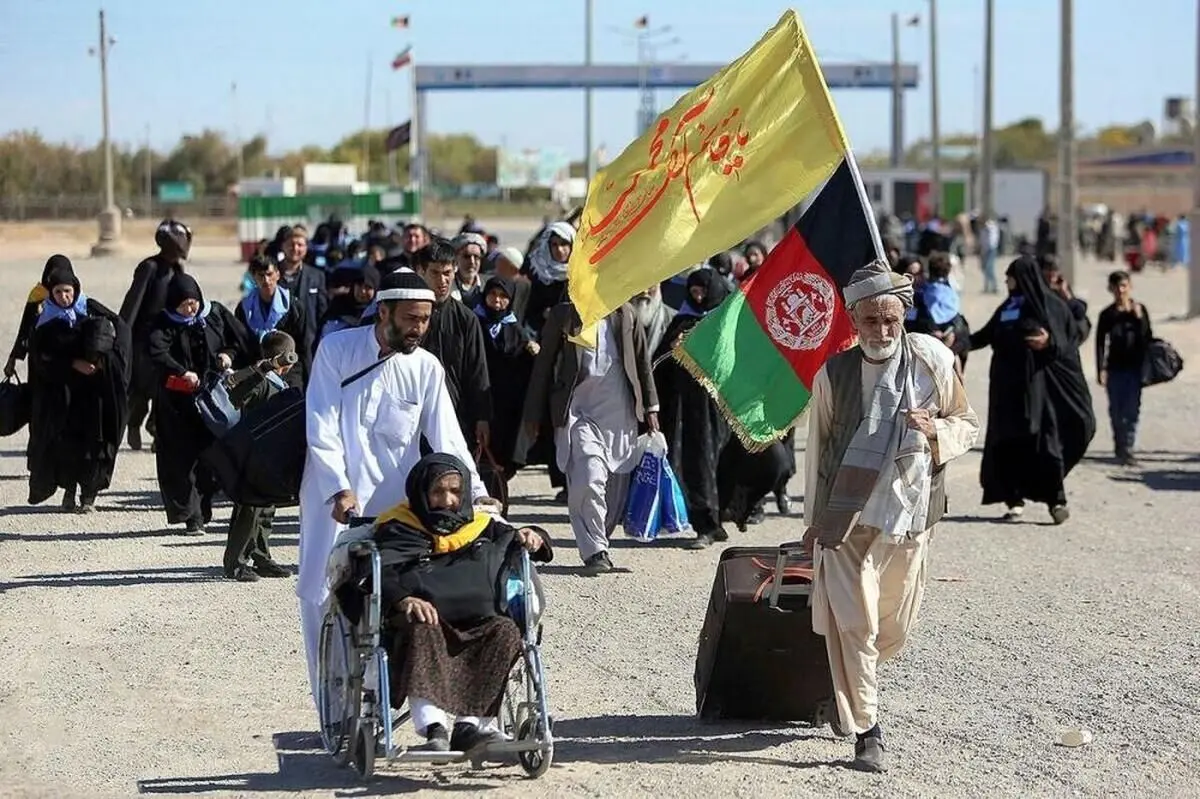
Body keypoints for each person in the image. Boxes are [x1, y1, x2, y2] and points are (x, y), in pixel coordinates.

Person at [802, 259, 979, 774]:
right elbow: (818, 453)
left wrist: (933, 433)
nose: (881, 330)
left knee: (892, 626)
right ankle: (867, 729)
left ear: (903, 315)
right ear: (853, 322)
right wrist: (816, 519)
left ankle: (850, 687)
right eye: (870, 321)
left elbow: (966, 423)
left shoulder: (932, 360)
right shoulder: (834, 375)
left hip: (910, 513)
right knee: (855, 624)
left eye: (890, 319)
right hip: (848, 519)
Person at [297, 268, 487, 704]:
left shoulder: (425, 368)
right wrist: (337, 488)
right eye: (411, 318)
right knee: (322, 594)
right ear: (383, 312)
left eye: (425, 320)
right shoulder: (337, 350)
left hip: (395, 506)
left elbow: (448, 438)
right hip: (336, 500)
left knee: (390, 595)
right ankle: (332, 701)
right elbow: (321, 423)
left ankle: (374, 693)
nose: (419, 328)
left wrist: (475, 492)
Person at [370, 453, 552, 752]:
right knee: (422, 625)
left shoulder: (481, 524)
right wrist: (403, 598)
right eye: (438, 492)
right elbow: (378, 570)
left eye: (455, 491)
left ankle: (471, 726)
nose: (447, 500)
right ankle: (435, 729)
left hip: (480, 617)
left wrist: (536, 536)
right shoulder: (398, 526)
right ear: (421, 493)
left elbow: (522, 541)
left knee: (506, 631)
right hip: (426, 618)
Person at [523, 301, 659, 575]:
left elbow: (642, 361)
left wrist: (651, 408)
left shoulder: (626, 314)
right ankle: (594, 549)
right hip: (578, 410)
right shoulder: (564, 314)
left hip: (618, 410)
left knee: (611, 483)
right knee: (588, 474)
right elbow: (544, 364)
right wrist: (533, 413)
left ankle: (600, 537)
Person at [970, 256, 1095, 523]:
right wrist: (954, 342)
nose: (1006, 281)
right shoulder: (1008, 307)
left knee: (1045, 444)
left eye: (1010, 277)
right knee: (1009, 442)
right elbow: (985, 336)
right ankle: (1014, 498)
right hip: (1006, 390)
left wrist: (1049, 344)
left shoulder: (1051, 307)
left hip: (1037, 389)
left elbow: (1068, 342)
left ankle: (1056, 501)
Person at [25, 255, 132, 511]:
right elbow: (42, 359)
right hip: (64, 395)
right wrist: (72, 364)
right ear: (51, 292)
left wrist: (104, 362)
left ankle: (89, 496)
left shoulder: (90, 308)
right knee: (67, 444)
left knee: (97, 440)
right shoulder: (45, 320)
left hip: (95, 393)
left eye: (68, 291)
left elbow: (119, 332)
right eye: (59, 292)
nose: (64, 297)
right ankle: (69, 491)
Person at [148, 273, 250, 534]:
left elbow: (238, 341)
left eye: (193, 303)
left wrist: (228, 355)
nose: (190, 309)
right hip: (177, 405)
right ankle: (191, 516)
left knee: (210, 459)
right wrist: (181, 371)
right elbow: (156, 352)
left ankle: (204, 508)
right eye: (184, 305)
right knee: (182, 461)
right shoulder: (164, 322)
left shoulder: (213, 314)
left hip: (211, 402)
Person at [653, 269, 734, 548]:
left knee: (721, 466)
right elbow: (658, 364)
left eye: (702, 290)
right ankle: (705, 526)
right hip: (687, 412)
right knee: (696, 465)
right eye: (693, 290)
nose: (697, 295)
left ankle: (718, 520)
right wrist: (675, 350)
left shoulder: (726, 322)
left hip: (722, 410)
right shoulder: (682, 321)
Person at [221, 331, 298, 582]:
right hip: (252, 457)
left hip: (271, 459)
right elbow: (235, 394)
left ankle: (261, 556)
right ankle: (235, 563)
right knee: (248, 512)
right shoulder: (261, 381)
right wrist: (260, 371)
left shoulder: (280, 384)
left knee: (266, 510)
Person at [118, 219, 192, 450]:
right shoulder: (149, 267)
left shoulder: (178, 270)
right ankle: (134, 423)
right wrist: (122, 335)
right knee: (141, 388)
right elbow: (133, 303)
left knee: (166, 386)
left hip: (167, 338)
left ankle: (157, 428)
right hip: (143, 338)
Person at [415, 240, 493, 451]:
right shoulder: (409, 317)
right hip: (412, 415)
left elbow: (477, 372)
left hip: (455, 417)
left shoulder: (466, 319)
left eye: (447, 273)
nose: (442, 280)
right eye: (435, 273)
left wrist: (482, 418)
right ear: (421, 271)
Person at [474, 276, 539, 477]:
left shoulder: (515, 328)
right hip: (480, 396)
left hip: (508, 402)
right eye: (493, 294)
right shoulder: (473, 322)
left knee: (505, 451)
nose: (497, 300)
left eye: (503, 296)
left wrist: (532, 349)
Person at [1096, 270, 1153, 466]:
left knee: (1132, 409)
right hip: (1114, 368)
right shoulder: (1107, 314)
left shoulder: (1139, 310)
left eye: (1124, 286)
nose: (1121, 291)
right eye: (1116, 287)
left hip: (1135, 368)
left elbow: (1148, 338)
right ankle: (1119, 444)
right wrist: (1100, 369)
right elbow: (1100, 343)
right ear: (1110, 289)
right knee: (1116, 410)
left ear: (1130, 286)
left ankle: (1128, 447)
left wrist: (1139, 319)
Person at [235, 256, 311, 387]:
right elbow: (240, 343)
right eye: (261, 275)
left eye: (269, 274)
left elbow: (303, 346)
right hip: (257, 371)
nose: (266, 280)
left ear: (277, 274)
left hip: (289, 370)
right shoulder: (244, 308)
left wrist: (308, 378)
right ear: (254, 277)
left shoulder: (293, 306)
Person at [276, 225, 326, 369]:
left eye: (300, 244)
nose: (295, 248)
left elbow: (322, 312)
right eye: (291, 244)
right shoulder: (271, 274)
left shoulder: (317, 276)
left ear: (306, 247)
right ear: (283, 246)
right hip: (279, 345)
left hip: (308, 347)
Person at [6, 256, 61, 379]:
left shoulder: (72, 295)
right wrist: (13, 358)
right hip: (39, 358)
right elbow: (25, 327)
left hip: (65, 360)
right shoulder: (38, 294)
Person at [521, 222, 574, 337]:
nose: (559, 250)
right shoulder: (535, 269)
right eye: (554, 245)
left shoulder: (580, 272)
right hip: (540, 334)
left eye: (564, 244)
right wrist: (543, 314)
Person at [318, 262, 380, 343]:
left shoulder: (379, 313)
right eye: (359, 285)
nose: (363, 291)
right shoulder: (337, 307)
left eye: (368, 287)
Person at [1038, 254, 1091, 345]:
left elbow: (1079, 313)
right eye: (1048, 270)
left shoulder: (1062, 288)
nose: (1052, 274)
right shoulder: (1037, 290)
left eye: (1055, 270)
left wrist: (1066, 295)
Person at [630, 283, 676, 355]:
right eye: (639, 285)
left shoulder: (675, 320)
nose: (645, 292)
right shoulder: (617, 318)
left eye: (650, 285)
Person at [451, 232, 487, 308]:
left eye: (476, 257)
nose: (472, 262)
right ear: (456, 258)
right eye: (466, 256)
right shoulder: (447, 285)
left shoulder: (488, 286)